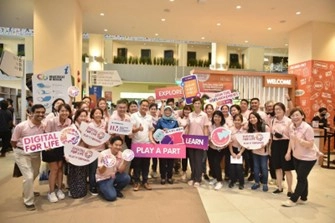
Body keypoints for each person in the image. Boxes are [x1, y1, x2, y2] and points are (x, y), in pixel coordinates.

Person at [11, 104, 46, 211]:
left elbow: (44, 140)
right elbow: (13, 141)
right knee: (29, 176)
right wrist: (21, 150)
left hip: (35, 154)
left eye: (42, 112)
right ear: (31, 113)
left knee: (35, 173)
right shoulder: (21, 126)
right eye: (38, 112)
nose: (40, 114)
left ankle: (27, 189)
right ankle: (28, 201)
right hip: (22, 153)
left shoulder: (43, 126)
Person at [282, 108, 317, 207]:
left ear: (302, 116)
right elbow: (290, 140)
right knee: (303, 177)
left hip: (308, 158)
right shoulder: (292, 127)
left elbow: (310, 144)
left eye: (297, 115)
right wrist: (288, 152)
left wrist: (299, 140)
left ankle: (293, 200)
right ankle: (304, 198)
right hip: (296, 156)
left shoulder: (307, 128)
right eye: (292, 116)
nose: (295, 117)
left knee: (300, 178)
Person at [43, 104, 72, 203]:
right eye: (62, 111)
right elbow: (46, 134)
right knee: (54, 169)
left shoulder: (69, 121)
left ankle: (59, 189)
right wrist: (48, 145)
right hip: (50, 147)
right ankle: (51, 192)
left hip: (62, 147)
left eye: (67, 111)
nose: (65, 113)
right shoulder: (52, 121)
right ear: (58, 111)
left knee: (60, 168)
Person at [96, 136, 131, 201]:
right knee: (112, 197)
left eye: (120, 145)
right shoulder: (103, 154)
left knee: (126, 178)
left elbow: (120, 171)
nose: (118, 147)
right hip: (103, 178)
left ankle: (115, 189)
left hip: (113, 176)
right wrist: (106, 164)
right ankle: (102, 189)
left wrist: (125, 162)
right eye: (116, 145)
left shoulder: (121, 154)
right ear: (110, 145)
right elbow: (100, 171)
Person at [131, 99, 155, 191]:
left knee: (146, 164)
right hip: (136, 144)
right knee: (137, 164)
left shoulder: (149, 117)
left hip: (147, 144)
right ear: (139, 106)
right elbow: (132, 129)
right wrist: (138, 129)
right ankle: (136, 182)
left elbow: (150, 129)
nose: (144, 107)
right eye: (143, 105)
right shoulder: (134, 116)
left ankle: (145, 181)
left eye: (146, 106)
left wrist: (151, 139)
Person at [270, 102, 294, 196]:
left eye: (279, 109)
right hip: (275, 144)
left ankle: (290, 190)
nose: (277, 111)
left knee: (287, 168)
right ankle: (279, 187)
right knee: (277, 167)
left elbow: (292, 137)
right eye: (275, 109)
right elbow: (272, 135)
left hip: (286, 144)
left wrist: (288, 152)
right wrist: (270, 148)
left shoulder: (288, 121)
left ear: (284, 110)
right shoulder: (273, 120)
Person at [187, 97, 209, 187]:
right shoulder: (190, 115)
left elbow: (205, 128)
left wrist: (205, 141)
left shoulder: (204, 115)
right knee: (192, 161)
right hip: (190, 141)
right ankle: (192, 177)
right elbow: (188, 127)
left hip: (200, 141)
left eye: (198, 103)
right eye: (195, 103)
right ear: (193, 104)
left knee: (199, 161)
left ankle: (198, 179)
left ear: (201, 104)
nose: (197, 105)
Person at [67, 109, 89, 198]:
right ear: (77, 116)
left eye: (85, 116)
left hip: (83, 151)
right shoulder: (72, 126)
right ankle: (73, 190)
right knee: (74, 172)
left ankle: (82, 190)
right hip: (73, 151)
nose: (83, 118)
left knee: (82, 171)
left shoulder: (87, 126)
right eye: (81, 116)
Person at [154, 106, 179, 184]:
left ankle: (169, 177)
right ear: (164, 112)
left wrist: (172, 131)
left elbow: (178, 132)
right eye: (166, 111)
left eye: (169, 111)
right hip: (162, 145)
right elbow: (156, 132)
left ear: (171, 112)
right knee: (162, 161)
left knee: (171, 162)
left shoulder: (175, 121)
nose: (167, 112)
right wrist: (162, 130)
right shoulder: (160, 120)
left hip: (172, 145)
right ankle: (162, 177)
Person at [248, 112, 270, 192]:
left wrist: (265, 145)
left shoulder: (265, 127)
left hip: (264, 152)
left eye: (254, 117)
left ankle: (265, 183)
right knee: (255, 167)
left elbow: (269, 139)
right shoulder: (251, 129)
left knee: (264, 168)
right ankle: (256, 182)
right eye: (250, 118)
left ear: (258, 118)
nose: (252, 119)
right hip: (254, 152)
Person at [87, 107, 108, 195]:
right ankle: (93, 187)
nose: (98, 115)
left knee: (101, 169)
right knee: (93, 170)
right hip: (93, 150)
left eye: (100, 113)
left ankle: (99, 185)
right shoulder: (90, 125)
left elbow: (106, 135)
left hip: (102, 150)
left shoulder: (104, 123)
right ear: (92, 115)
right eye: (96, 113)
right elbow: (87, 138)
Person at [208, 110, 227, 190]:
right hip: (211, 147)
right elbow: (208, 136)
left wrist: (221, 144)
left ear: (221, 118)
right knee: (211, 164)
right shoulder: (210, 126)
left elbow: (226, 138)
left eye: (219, 116)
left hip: (220, 149)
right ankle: (215, 177)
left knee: (216, 163)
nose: (217, 118)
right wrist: (210, 139)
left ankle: (219, 181)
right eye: (215, 116)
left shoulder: (224, 127)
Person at [228, 114, 246, 190]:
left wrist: (240, 153)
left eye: (239, 120)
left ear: (241, 121)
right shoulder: (230, 130)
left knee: (239, 168)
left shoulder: (244, 130)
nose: (237, 121)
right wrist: (232, 152)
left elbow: (245, 143)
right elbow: (229, 142)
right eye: (235, 120)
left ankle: (241, 182)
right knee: (232, 167)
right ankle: (232, 181)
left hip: (241, 150)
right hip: (232, 149)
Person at [177, 105, 192, 181]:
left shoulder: (194, 119)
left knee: (193, 158)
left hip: (192, 141)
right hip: (182, 141)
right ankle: (184, 172)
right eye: (185, 110)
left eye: (189, 110)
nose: (187, 111)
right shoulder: (180, 119)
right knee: (184, 157)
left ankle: (194, 173)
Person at [203, 103, 214, 180]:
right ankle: (204, 172)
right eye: (208, 108)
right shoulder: (203, 117)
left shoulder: (215, 118)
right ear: (205, 110)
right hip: (204, 141)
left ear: (213, 110)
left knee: (211, 158)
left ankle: (212, 171)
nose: (209, 110)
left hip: (213, 142)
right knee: (203, 158)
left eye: (210, 108)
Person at [148, 102, 159, 178]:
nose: (153, 110)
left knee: (155, 156)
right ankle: (147, 172)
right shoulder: (147, 118)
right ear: (149, 109)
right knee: (148, 156)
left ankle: (154, 170)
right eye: (152, 109)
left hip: (157, 139)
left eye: (155, 109)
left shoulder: (158, 118)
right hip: (148, 138)